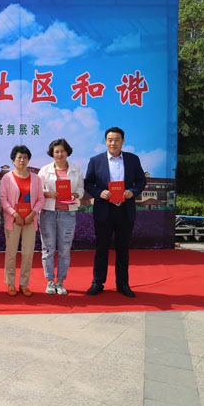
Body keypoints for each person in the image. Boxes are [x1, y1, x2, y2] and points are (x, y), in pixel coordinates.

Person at [84, 127, 146, 298]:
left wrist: (132, 191)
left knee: (123, 248)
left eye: (117, 139)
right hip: (104, 209)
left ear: (123, 141)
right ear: (105, 141)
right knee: (101, 248)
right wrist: (99, 193)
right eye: (110, 140)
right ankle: (98, 282)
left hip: (125, 210)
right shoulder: (96, 161)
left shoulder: (133, 159)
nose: (113, 143)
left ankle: (122, 284)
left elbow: (141, 181)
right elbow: (88, 183)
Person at [38, 139, 84, 295]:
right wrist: (48, 194)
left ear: (67, 152)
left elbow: (81, 189)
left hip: (68, 213)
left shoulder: (76, 170)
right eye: (56, 151)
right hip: (48, 213)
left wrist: (75, 195)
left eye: (62, 151)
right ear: (52, 153)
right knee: (48, 249)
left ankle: (61, 282)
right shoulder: (44, 170)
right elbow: (38, 191)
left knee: (65, 250)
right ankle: (50, 281)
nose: (59, 154)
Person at [0, 145, 45, 297]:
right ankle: (10, 283)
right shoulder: (7, 178)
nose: (22, 160)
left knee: (28, 254)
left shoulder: (36, 179)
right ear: (13, 160)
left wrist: (33, 214)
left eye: (25, 157)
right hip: (13, 221)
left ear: (28, 160)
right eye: (19, 157)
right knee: (11, 253)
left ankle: (24, 284)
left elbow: (40, 199)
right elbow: (3, 199)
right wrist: (14, 214)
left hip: (30, 221)